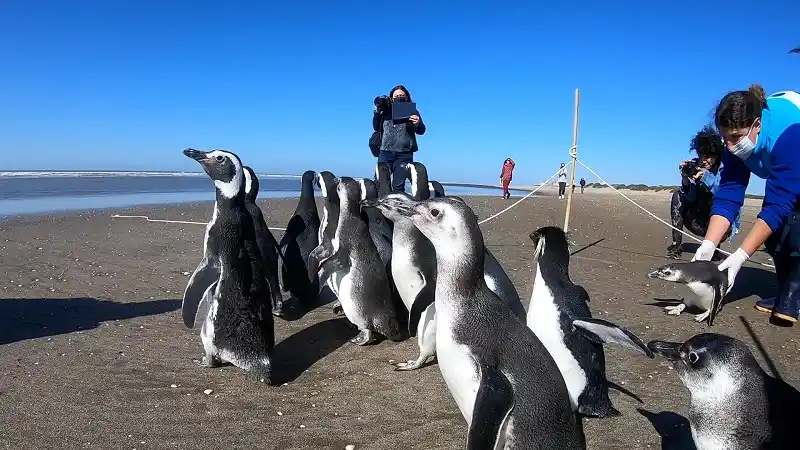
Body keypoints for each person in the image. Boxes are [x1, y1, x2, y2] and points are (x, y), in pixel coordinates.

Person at [692, 84, 800, 326]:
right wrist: (709, 244)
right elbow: (729, 195)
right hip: (790, 176)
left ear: (757, 125)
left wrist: (740, 256)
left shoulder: (790, 132)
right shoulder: (735, 144)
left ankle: (793, 294)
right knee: (772, 237)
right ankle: (785, 291)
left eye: (735, 137)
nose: (729, 146)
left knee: (793, 228)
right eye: (724, 138)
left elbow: (779, 204)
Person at [667, 125, 734, 259]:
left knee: (715, 199)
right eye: (702, 156)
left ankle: (714, 248)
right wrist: (685, 178)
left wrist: (706, 177)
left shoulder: (725, 170)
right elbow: (689, 197)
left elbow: (725, 195)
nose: (704, 160)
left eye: (708, 156)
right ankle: (676, 245)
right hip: (696, 220)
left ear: (716, 155)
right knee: (677, 196)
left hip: (720, 224)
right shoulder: (696, 166)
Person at [372, 85, 426, 193]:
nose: (399, 97)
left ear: (407, 97)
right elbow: (375, 127)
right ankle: (379, 207)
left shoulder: (412, 110)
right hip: (385, 151)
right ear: (391, 98)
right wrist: (377, 113)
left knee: (398, 186)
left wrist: (417, 123)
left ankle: (397, 208)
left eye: (402, 95)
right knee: (380, 182)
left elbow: (421, 130)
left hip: (404, 153)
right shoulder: (385, 110)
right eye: (396, 96)